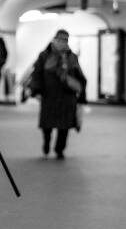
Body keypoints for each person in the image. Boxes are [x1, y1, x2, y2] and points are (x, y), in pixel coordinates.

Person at [29, 29, 87, 159]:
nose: (62, 43)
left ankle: (59, 149)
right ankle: (47, 143)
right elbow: (37, 74)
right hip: (49, 95)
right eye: (60, 40)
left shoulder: (72, 57)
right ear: (54, 40)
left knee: (64, 125)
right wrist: (36, 91)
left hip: (67, 96)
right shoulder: (44, 55)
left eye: (65, 40)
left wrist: (82, 96)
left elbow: (80, 76)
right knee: (47, 124)